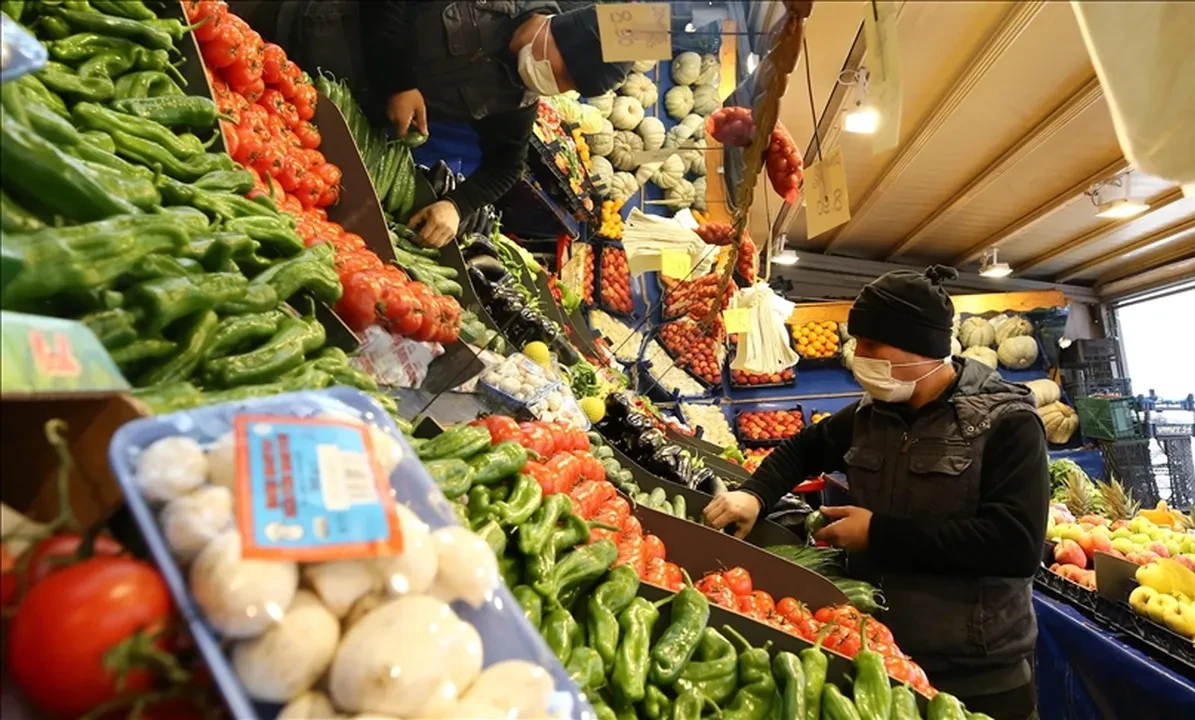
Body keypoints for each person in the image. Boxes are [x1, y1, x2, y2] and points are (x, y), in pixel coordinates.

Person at [704, 265, 1048, 719]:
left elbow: (1015, 546)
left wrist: (879, 535)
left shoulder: (1008, 423)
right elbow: (804, 449)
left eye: (870, 345)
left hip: (977, 672)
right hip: (881, 658)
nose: (857, 356)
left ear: (919, 348)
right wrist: (755, 494)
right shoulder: (873, 413)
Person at [368, 2, 631, 248]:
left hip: (353, 117)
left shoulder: (517, 96)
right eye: (565, 75)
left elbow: (506, 167)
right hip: (336, 30)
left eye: (568, 86)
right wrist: (399, 82)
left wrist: (457, 206)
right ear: (561, 31)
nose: (555, 86)